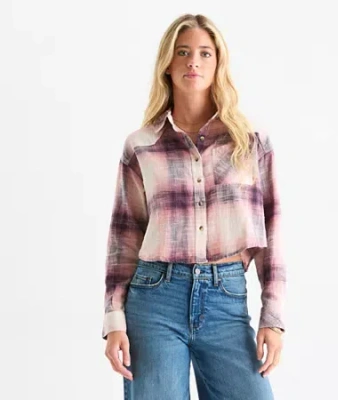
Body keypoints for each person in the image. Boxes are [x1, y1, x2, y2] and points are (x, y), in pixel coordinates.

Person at [102, 13, 286, 400]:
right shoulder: (142, 145)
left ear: (218, 64)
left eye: (205, 53)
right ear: (167, 65)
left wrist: (273, 315)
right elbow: (125, 237)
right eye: (183, 52)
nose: (193, 62)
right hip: (155, 298)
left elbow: (272, 229)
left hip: (226, 299)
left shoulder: (250, 142)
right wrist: (114, 317)